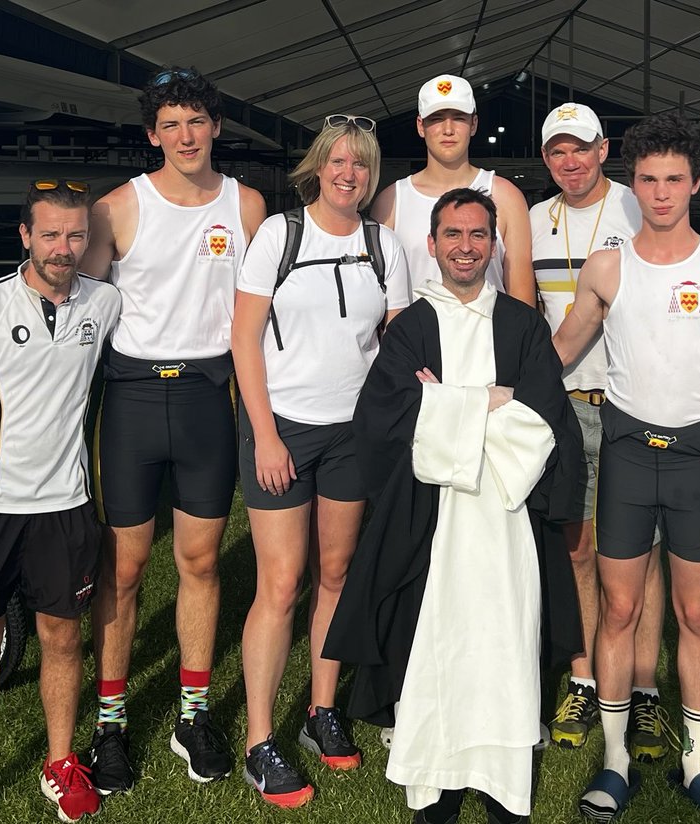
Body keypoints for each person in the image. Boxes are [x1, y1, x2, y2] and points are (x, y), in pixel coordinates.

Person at [324, 188, 582, 824]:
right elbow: (387, 421)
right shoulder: (412, 328)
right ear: (432, 244)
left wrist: (447, 404)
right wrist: (490, 398)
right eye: (452, 235)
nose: (465, 247)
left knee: (503, 641)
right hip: (431, 518)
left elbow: (543, 424)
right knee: (434, 646)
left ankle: (501, 783)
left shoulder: (522, 325)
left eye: (477, 235)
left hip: (506, 517)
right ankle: (436, 784)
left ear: (494, 244)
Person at [554, 112, 700, 823]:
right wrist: (485, 382)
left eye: (674, 180)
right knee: (618, 609)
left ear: (695, 184)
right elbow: (562, 348)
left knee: (695, 613)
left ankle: (698, 764)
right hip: (625, 459)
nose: (660, 193)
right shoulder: (608, 267)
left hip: (694, 464)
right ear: (634, 182)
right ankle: (615, 761)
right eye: (648, 179)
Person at [77, 66, 267, 793]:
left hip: (205, 399)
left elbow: (266, 310)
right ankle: (110, 724)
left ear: (216, 127)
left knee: (200, 563)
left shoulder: (245, 205)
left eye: (196, 121)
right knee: (123, 570)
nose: (186, 136)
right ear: (152, 135)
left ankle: (193, 715)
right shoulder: (119, 207)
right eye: (170, 125)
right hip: (131, 399)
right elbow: (77, 312)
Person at [0, 180, 121, 824]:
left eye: (75, 235)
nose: (63, 247)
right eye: (51, 234)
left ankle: (61, 764)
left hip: (65, 504)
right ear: (25, 236)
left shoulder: (105, 303)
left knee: (62, 639)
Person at [230, 114, 410, 809]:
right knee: (280, 585)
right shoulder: (280, 235)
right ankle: (259, 740)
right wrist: (265, 434)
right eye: (338, 161)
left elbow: (396, 341)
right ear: (317, 167)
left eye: (360, 164)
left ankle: (320, 711)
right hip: (283, 429)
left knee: (336, 574)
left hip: (351, 436)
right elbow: (244, 340)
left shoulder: (383, 245)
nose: (349, 174)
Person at [532, 102, 671, 760]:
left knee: (642, 554)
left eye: (581, 148)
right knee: (579, 549)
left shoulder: (638, 208)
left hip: (632, 404)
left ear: (603, 149)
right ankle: (584, 680)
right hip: (566, 404)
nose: (571, 162)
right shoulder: (535, 220)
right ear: (546, 159)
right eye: (558, 151)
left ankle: (643, 691)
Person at [372, 74, 535, 306]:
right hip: (416, 330)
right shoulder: (392, 201)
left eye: (458, 118)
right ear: (420, 126)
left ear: (474, 124)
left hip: (491, 329)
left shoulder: (506, 196)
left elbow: (522, 299)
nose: (448, 130)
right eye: (436, 119)